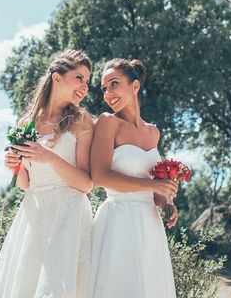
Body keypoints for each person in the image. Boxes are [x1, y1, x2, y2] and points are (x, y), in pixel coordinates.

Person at [0, 49, 95, 298]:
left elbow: (86, 184)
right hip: (34, 214)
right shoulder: (26, 124)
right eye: (79, 78)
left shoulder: (82, 122)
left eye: (87, 81)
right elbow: (25, 184)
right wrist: (14, 164)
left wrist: (48, 156)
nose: (85, 86)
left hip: (69, 215)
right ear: (57, 77)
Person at [89, 58, 178, 298]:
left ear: (135, 86)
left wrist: (166, 200)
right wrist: (152, 184)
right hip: (118, 219)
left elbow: (156, 191)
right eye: (104, 88)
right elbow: (99, 176)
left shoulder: (154, 131)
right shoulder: (108, 123)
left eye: (114, 84)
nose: (108, 93)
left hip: (149, 223)